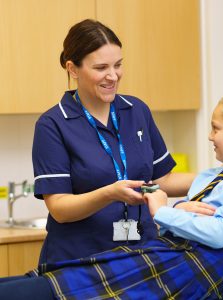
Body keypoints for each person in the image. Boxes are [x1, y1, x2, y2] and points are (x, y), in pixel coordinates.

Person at [0, 88, 223, 299]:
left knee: (61, 289)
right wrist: (178, 210)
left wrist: (162, 212)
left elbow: (220, 232)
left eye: (215, 128)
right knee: (55, 283)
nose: (209, 135)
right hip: (176, 252)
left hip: (197, 264)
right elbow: (193, 206)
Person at [30, 19, 200, 265]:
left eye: (118, 65)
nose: (113, 76)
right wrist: (110, 193)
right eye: (101, 68)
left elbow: (163, 180)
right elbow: (59, 207)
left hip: (142, 255)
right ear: (73, 68)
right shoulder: (53, 124)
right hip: (79, 262)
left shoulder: (136, 110)